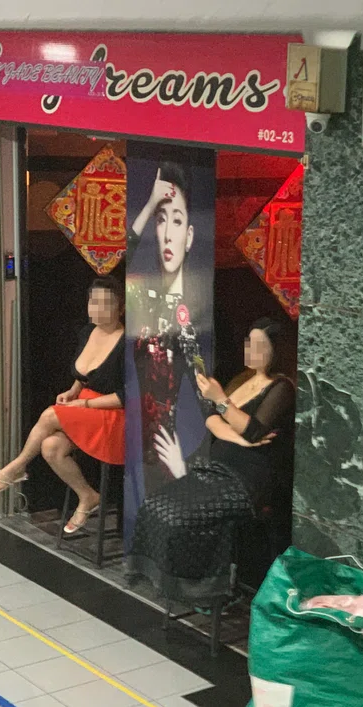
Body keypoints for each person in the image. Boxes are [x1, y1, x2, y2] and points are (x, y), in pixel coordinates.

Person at [127, 318, 295, 603]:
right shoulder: (242, 380)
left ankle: (202, 589)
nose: (250, 349)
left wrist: (223, 403)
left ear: (276, 351)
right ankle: (158, 578)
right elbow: (213, 421)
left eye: (259, 345)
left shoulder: (282, 388)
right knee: (154, 505)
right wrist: (239, 437)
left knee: (179, 517)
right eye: (248, 342)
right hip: (216, 467)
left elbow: (255, 428)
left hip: (247, 480)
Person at [0, 277, 126, 535]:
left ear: (120, 308)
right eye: (93, 302)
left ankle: (17, 467)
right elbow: (85, 376)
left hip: (113, 416)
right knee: (50, 447)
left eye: (106, 304)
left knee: (49, 415)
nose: (97, 309)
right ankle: (88, 496)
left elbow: (126, 396)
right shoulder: (86, 332)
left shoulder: (127, 342)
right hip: (84, 407)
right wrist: (72, 392)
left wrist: (86, 404)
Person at [127, 162, 211, 489]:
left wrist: (184, 465)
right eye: (161, 221)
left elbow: (206, 396)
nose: (168, 232)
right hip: (136, 443)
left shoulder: (187, 313)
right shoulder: (143, 294)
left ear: (189, 235)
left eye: (177, 220)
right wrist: (150, 204)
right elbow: (127, 250)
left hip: (164, 450)